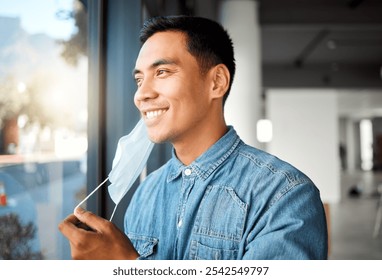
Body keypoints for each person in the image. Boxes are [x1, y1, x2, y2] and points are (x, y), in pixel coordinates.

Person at [59, 15, 328, 260]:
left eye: (162, 72)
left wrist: (127, 264)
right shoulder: (145, 194)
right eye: (139, 80)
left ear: (217, 82)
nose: (141, 95)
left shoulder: (285, 196)